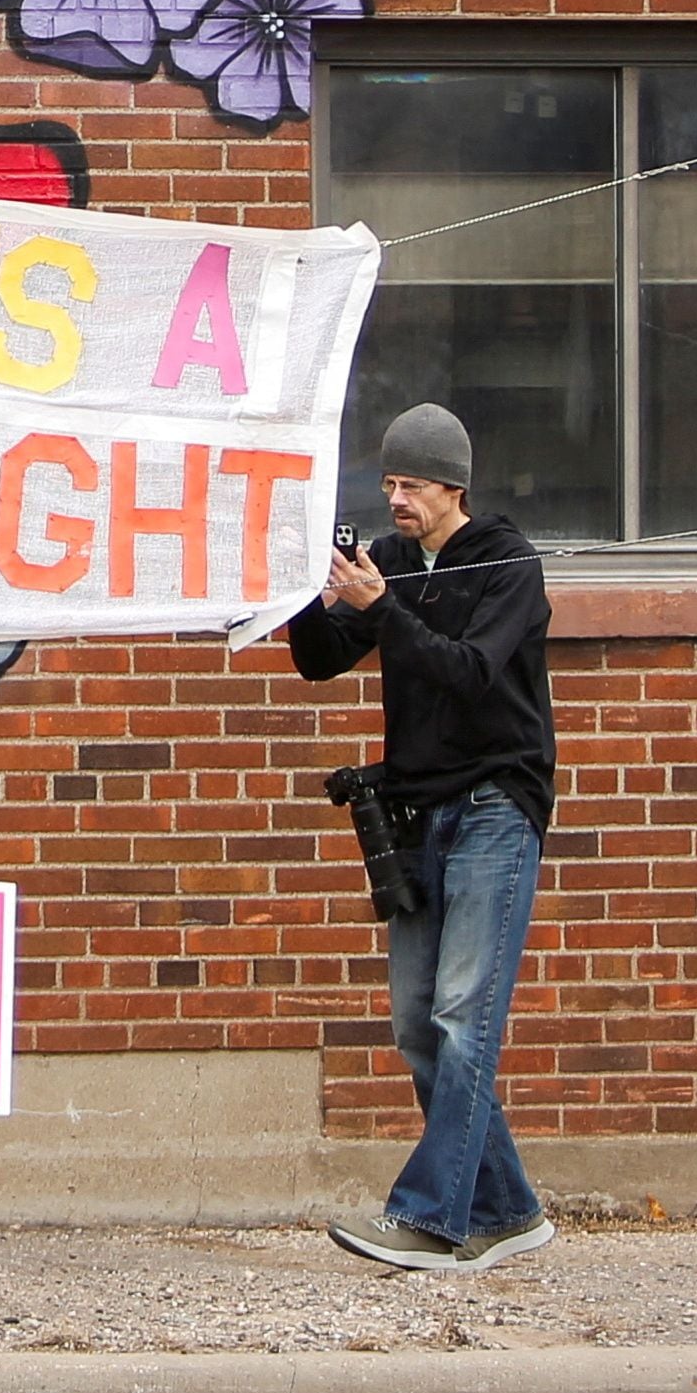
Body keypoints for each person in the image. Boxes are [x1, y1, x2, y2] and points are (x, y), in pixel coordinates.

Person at [288, 401, 555, 1276]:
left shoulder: (508, 563)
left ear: (454, 485)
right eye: (388, 482)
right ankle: (509, 1210)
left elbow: (473, 671)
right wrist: (305, 592)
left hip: (494, 808)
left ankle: (434, 1220)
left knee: (464, 1015)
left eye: (411, 484)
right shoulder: (394, 563)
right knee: (416, 1022)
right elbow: (324, 657)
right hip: (417, 813)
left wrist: (385, 609)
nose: (395, 498)